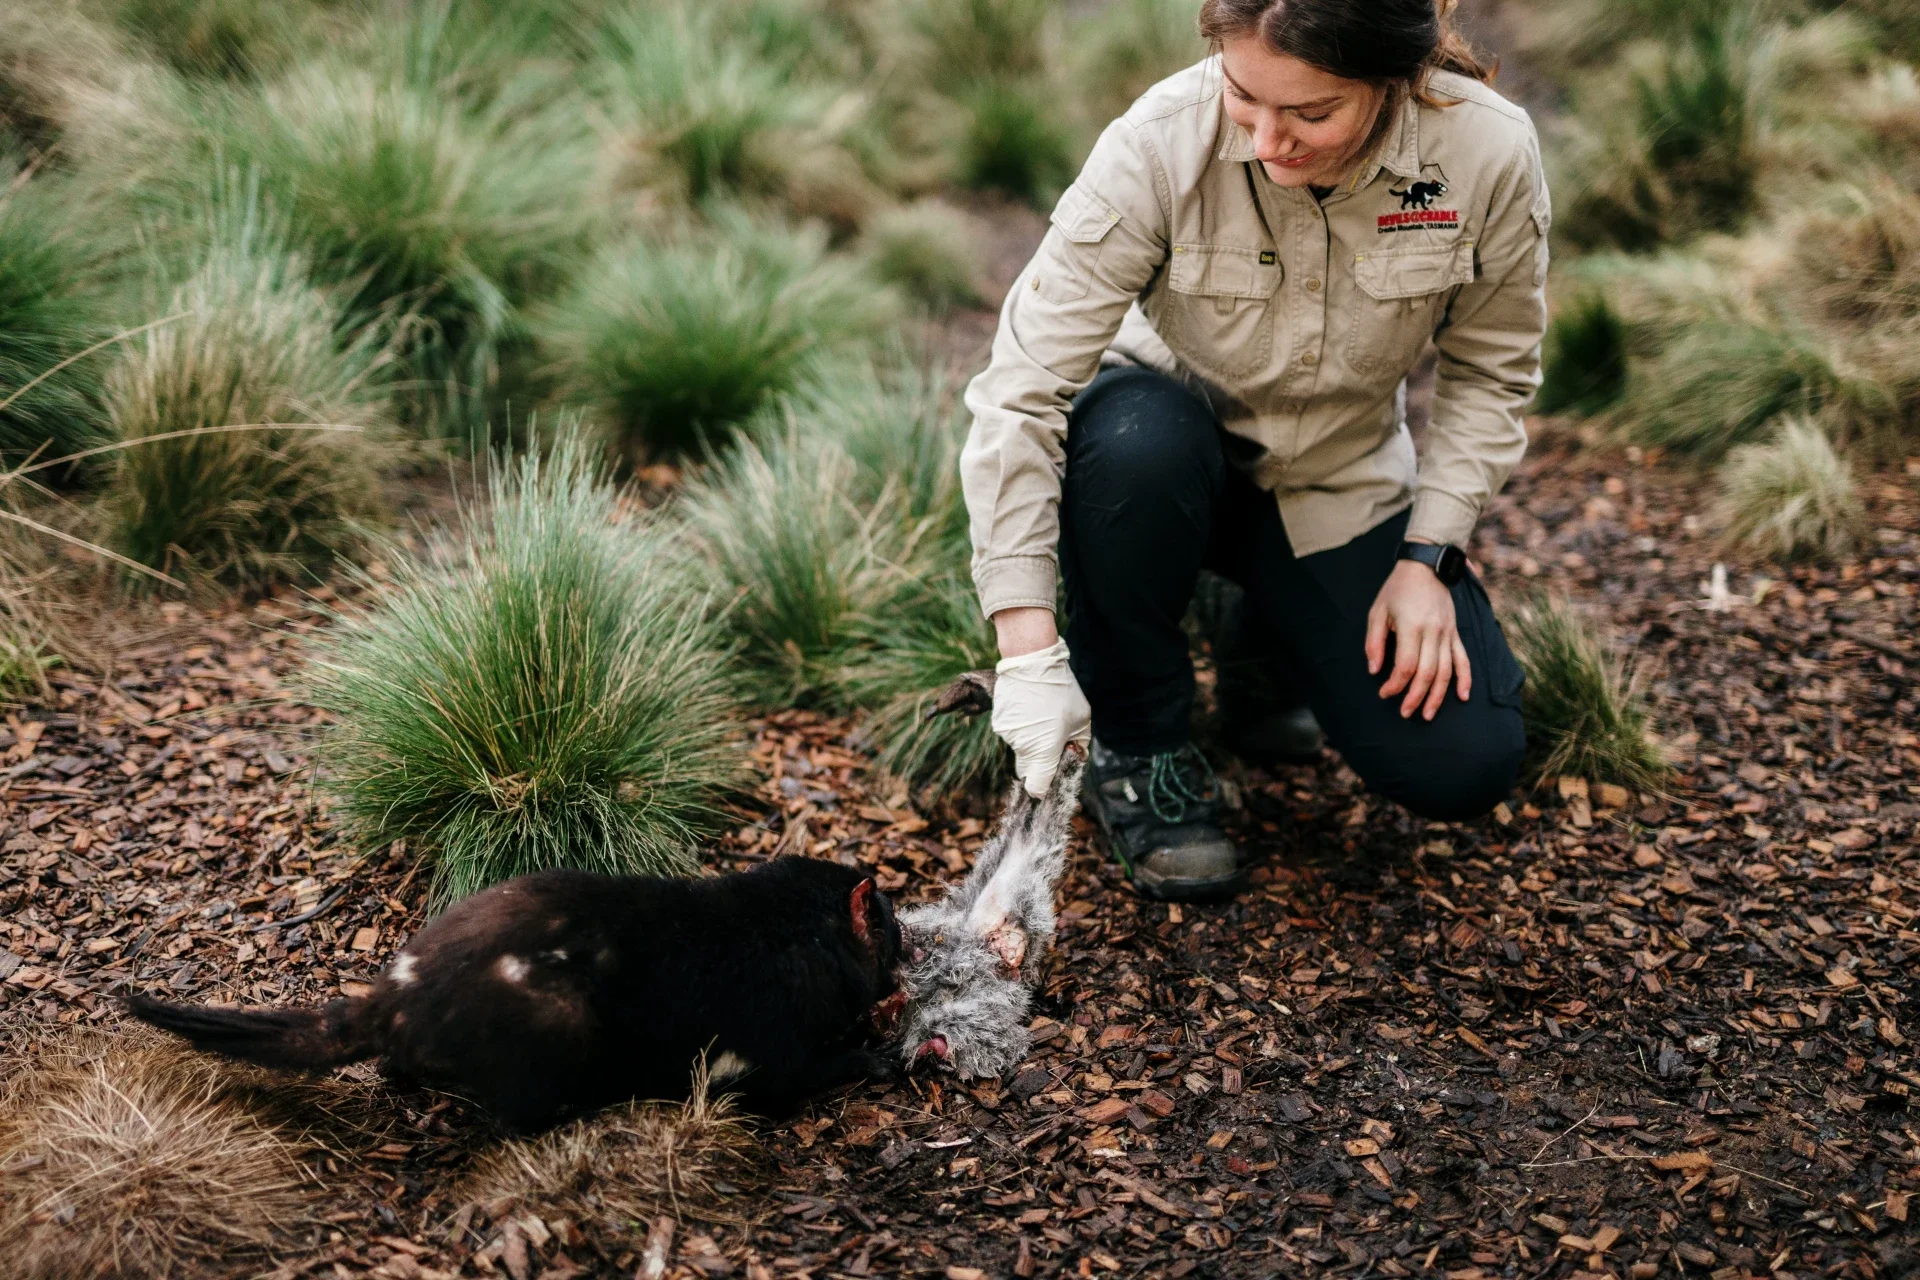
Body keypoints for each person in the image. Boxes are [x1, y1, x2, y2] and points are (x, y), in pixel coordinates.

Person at [963, 0, 1547, 900]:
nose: (1267, 142)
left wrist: (1428, 557)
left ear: (1393, 83)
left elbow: (1491, 370)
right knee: (1137, 448)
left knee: (1463, 763)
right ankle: (1142, 745)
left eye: (1311, 112)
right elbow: (1022, 386)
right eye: (1243, 96)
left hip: (1335, 483)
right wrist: (1028, 649)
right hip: (1155, 462)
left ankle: (1266, 644)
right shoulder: (1159, 143)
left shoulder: (1488, 151)